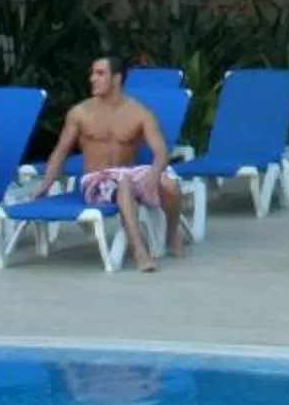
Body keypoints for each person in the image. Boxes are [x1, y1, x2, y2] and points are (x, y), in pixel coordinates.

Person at [38, 54, 186, 272]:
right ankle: (139, 251)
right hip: (96, 179)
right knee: (123, 181)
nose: (92, 79)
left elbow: (161, 150)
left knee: (170, 184)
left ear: (116, 79)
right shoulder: (80, 113)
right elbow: (60, 151)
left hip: (129, 172)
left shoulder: (139, 112)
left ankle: (172, 234)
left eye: (99, 74)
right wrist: (45, 184)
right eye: (92, 73)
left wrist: (155, 171)